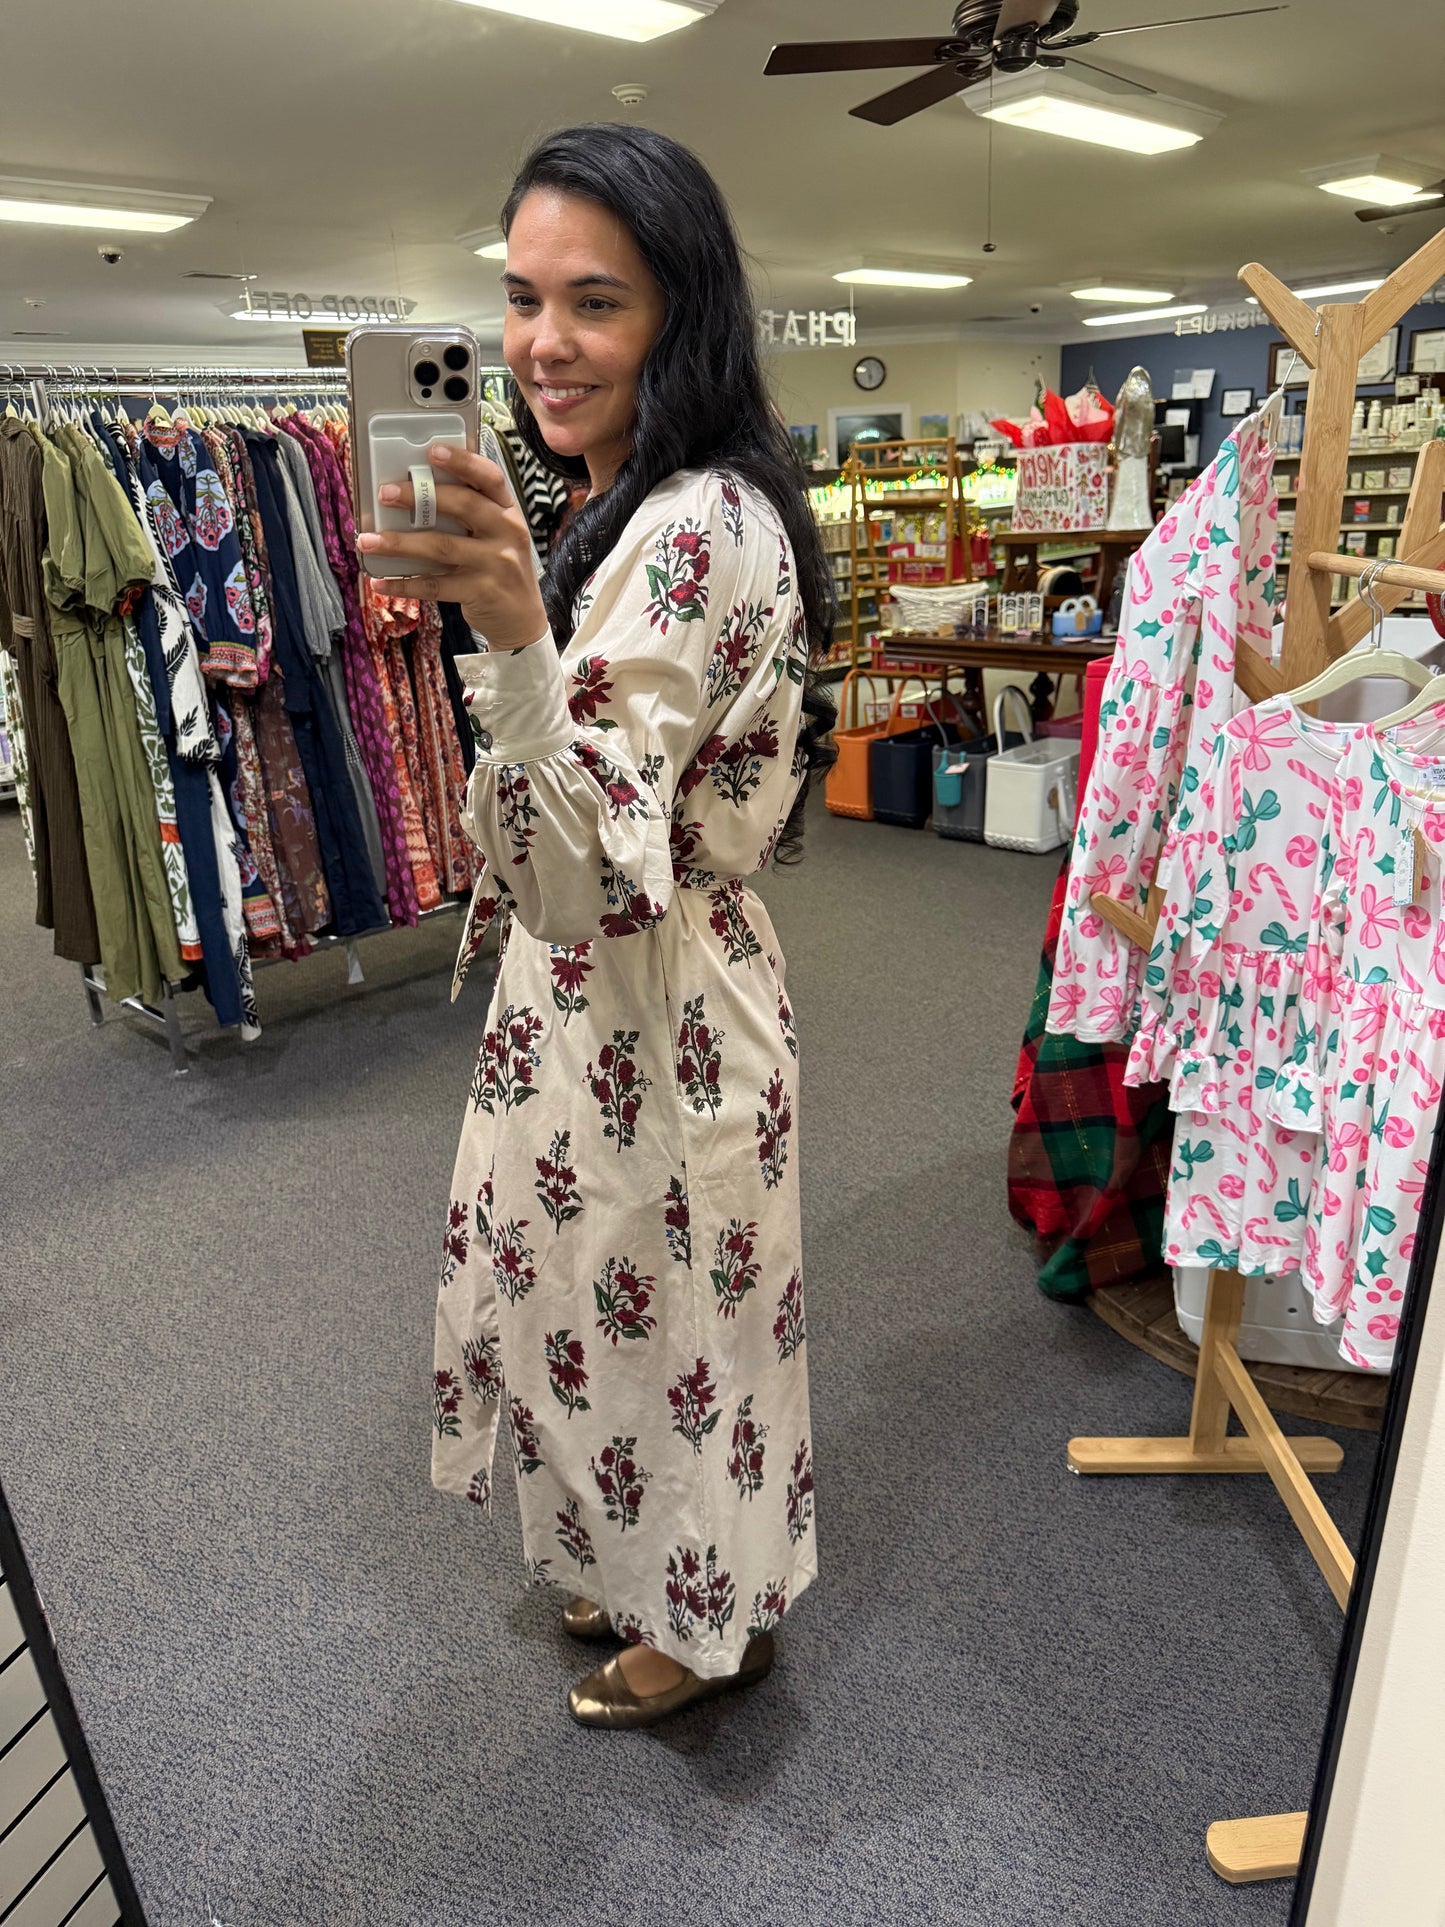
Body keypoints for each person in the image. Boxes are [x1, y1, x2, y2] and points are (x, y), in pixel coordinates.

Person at [359, 123, 835, 1728]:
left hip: (659, 994)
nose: (543, 344)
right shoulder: (625, 496)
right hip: (615, 1001)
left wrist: (506, 636)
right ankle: (643, 1569)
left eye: (595, 304)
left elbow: (576, 870)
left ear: (675, 317)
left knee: (676, 1328)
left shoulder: (697, 524)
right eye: (519, 298)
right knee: (599, 1313)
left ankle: (713, 1629)